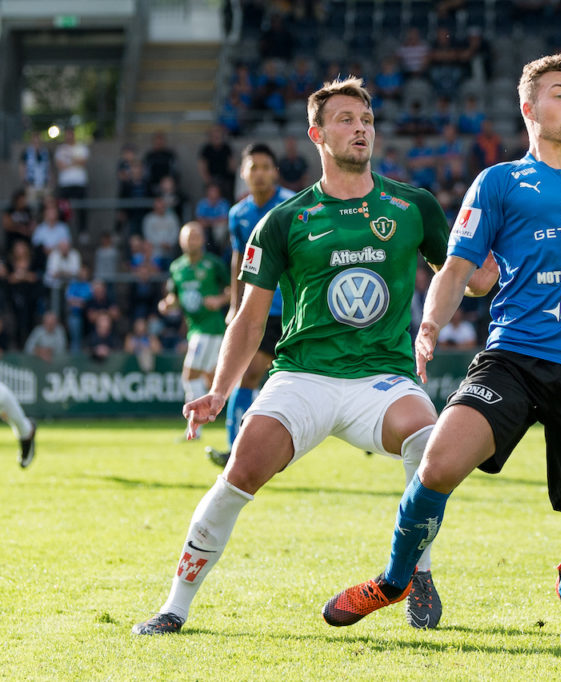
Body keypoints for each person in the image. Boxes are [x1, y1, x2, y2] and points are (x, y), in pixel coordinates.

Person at [324, 54, 561, 636]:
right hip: (514, 357)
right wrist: (430, 325)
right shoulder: (500, 181)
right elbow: (457, 264)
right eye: (560, 93)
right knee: (438, 464)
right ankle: (394, 581)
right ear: (528, 108)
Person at [132, 76, 494, 637]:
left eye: (367, 120)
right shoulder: (283, 220)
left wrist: (486, 270)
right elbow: (249, 318)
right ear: (317, 134)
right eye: (346, 120)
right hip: (303, 376)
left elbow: (468, 276)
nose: (360, 129)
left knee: (429, 441)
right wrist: (221, 390)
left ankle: (416, 571)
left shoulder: (412, 205)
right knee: (239, 473)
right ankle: (174, 606)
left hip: (383, 377)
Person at [203, 143, 295, 468]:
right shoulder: (238, 214)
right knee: (249, 375)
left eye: (265, 167)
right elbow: (238, 260)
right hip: (261, 310)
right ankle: (237, 449)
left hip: (294, 309)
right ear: (243, 173)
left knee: (281, 379)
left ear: (275, 172)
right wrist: (234, 303)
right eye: (253, 167)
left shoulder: (291, 206)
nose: (259, 173)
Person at [157, 222, 230, 439]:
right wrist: (168, 304)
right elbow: (175, 297)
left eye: (196, 236)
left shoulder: (214, 264)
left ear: (203, 239)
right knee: (209, 378)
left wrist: (219, 299)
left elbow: (231, 289)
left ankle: (195, 426)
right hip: (194, 328)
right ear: (181, 241)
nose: (192, 240)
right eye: (188, 236)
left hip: (210, 328)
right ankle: (242, 408)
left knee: (189, 376)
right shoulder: (177, 267)